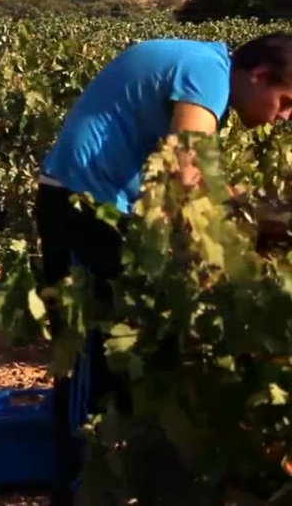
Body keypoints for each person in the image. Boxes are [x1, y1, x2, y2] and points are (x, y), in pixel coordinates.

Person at [33, 33, 292, 504]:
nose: (285, 116)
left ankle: (107, 480)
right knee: (90, 355)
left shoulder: (199, 63)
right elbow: (185, 172)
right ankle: (76, 488)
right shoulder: (208, 74)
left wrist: (259, 210)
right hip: (82, 210)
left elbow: (199, 176)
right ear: (259, 75)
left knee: (115, 360)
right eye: (286, 101)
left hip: (96, 209)